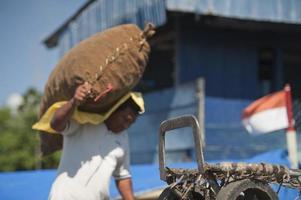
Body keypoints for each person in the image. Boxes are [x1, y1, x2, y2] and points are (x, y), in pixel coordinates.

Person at [48, 82, 142, 200]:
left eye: (131, 123)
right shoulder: (84, 121)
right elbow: (55, 124)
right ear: (114, 110)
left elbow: (123, 176)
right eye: (125, 119)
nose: (126, 125)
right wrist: (73, 102)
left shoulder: (123, 137)